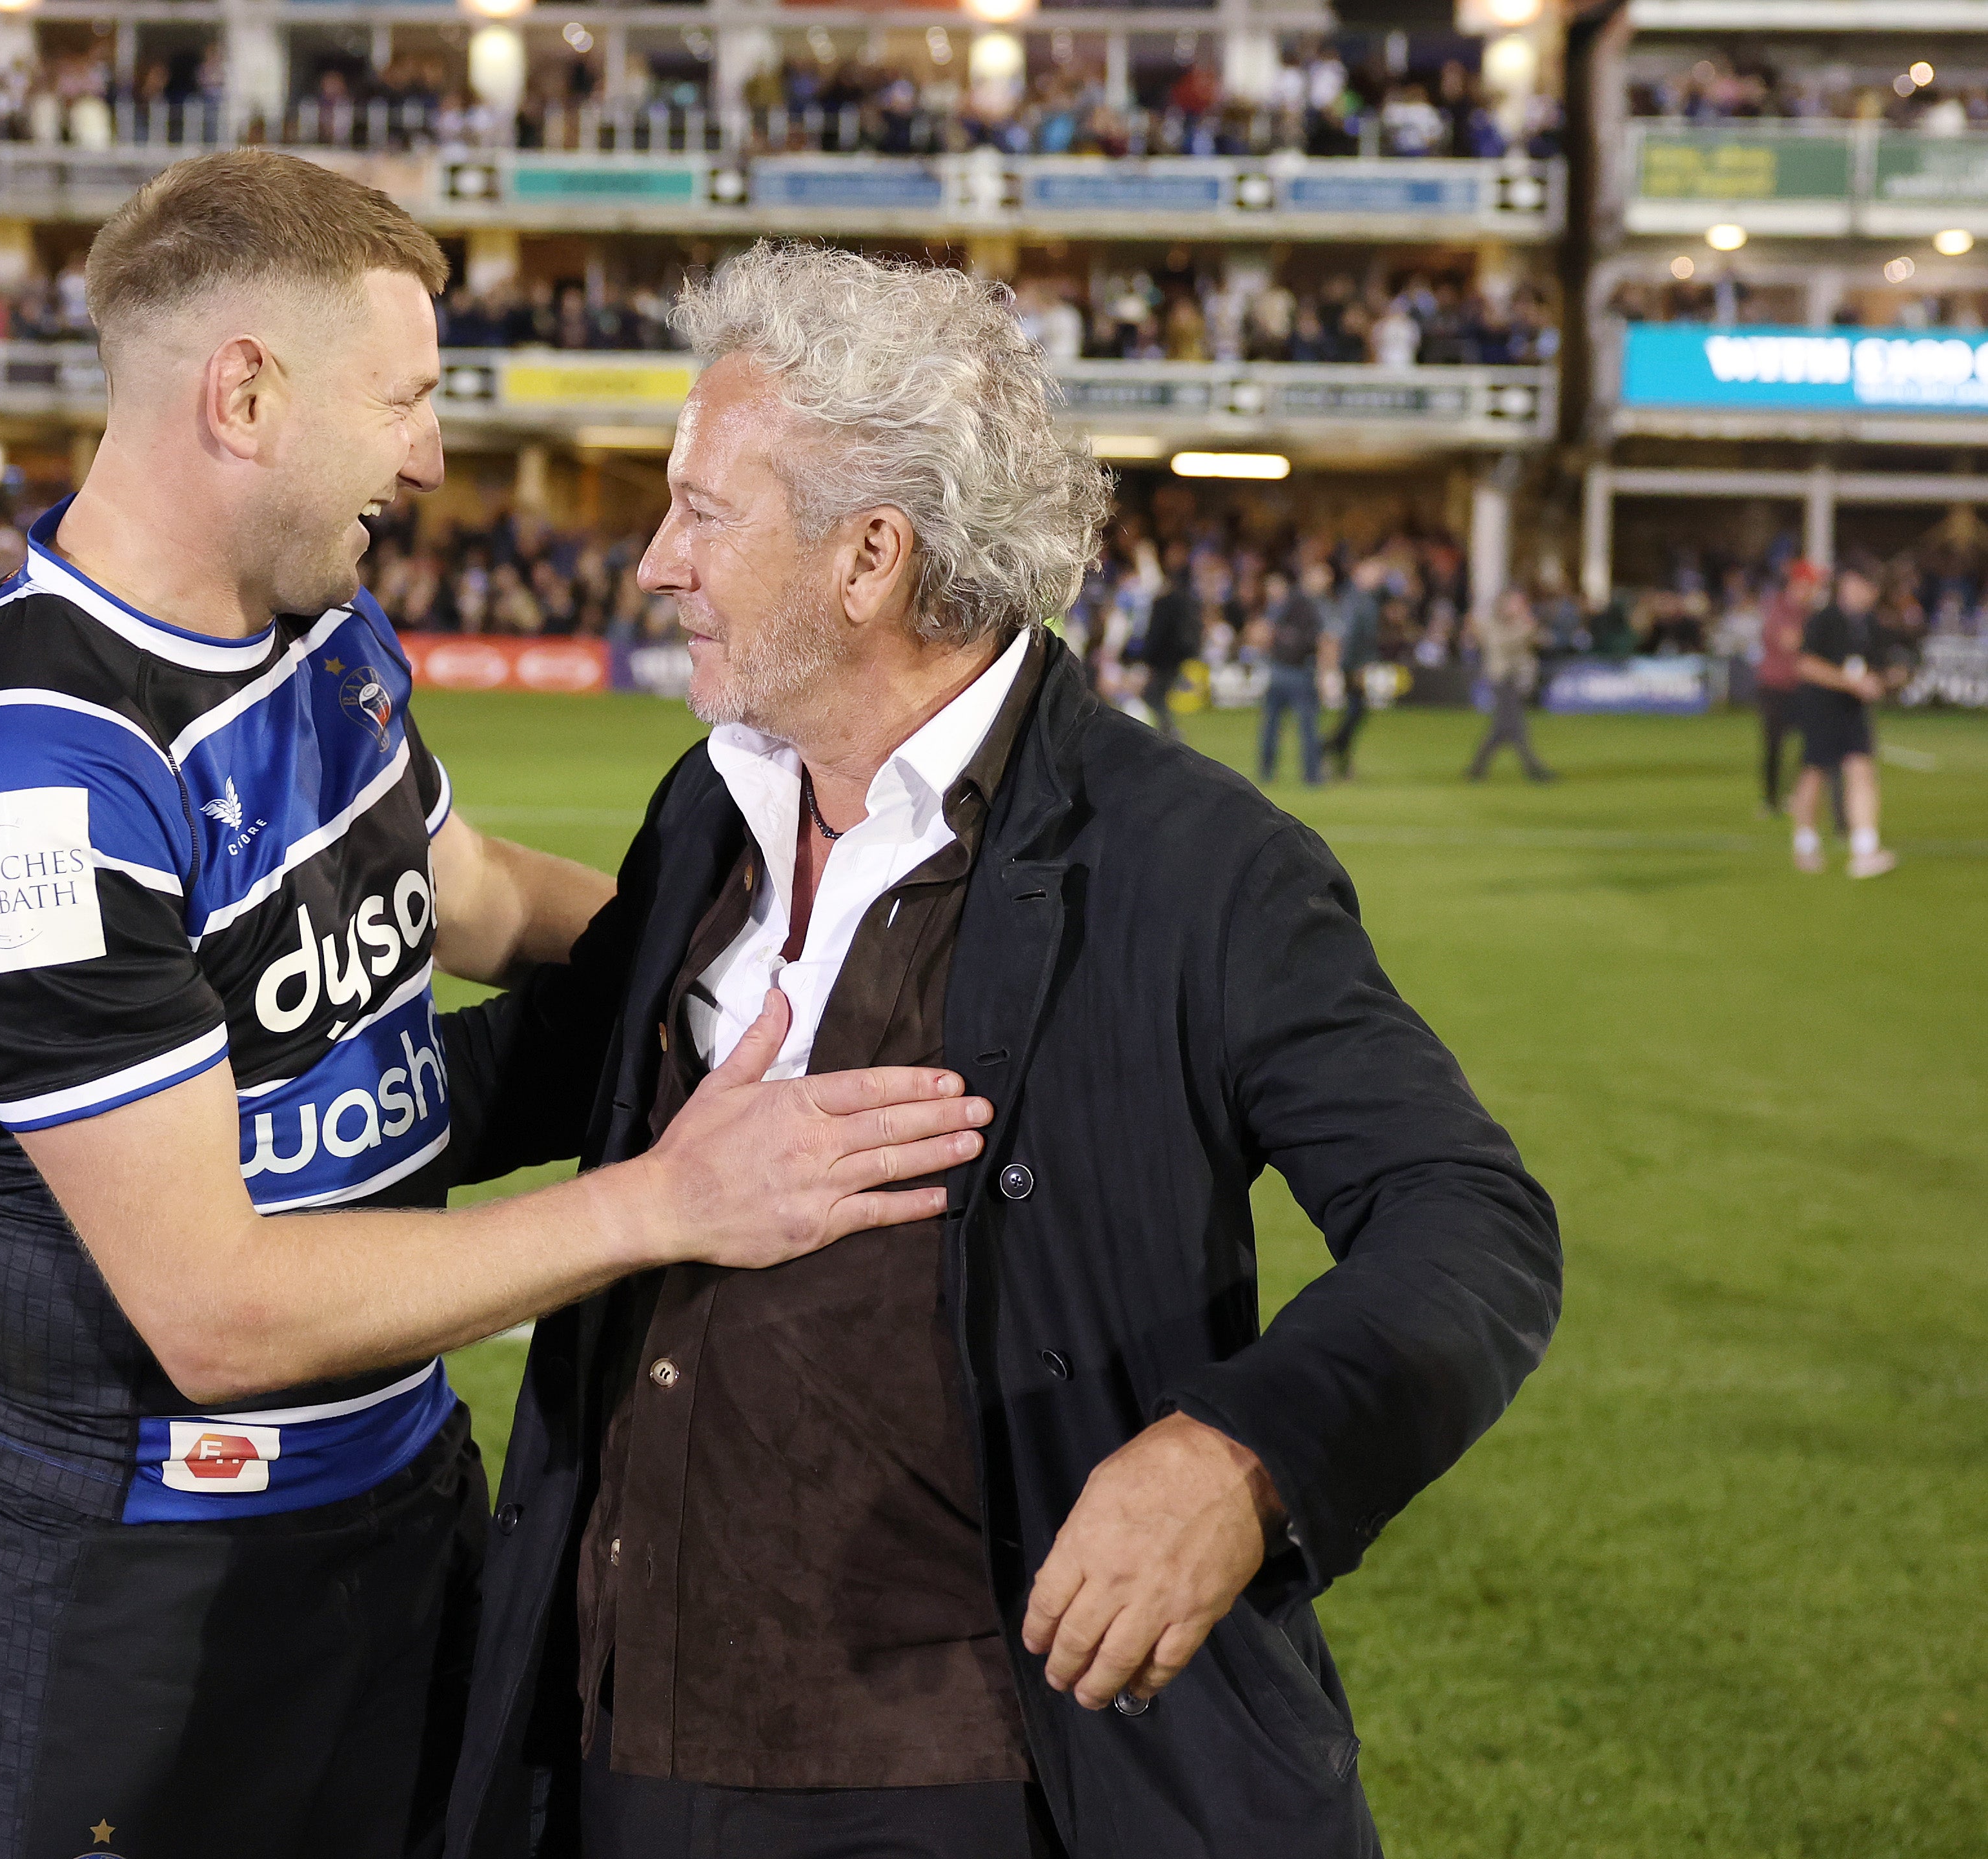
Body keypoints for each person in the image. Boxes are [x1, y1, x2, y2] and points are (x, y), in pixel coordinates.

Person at [0, 157, 989, 1859]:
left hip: (404, 1505)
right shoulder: (29, 784)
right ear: (246, 396)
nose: (431, 456)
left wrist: (785, 948)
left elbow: (470, 897)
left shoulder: (322, 638)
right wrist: (667, 1202)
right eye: (401, 399)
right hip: (139, 1591)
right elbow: (217, 1313)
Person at [439, 244, 1563, 1859]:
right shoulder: (715, 804)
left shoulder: (1192, 864)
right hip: (619, 1747)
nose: (651, 564)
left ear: (868, 557)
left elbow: (1468, 1220)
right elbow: (564, 1057)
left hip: (963, 1785)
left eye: (701, 511)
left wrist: (1244, 1457)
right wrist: (247, 1118)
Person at [1787, 564, 1899, 879]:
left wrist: (1884, 680)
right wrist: (1850, 683)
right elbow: (1806, 665)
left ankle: (1864, 851)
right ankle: (1805, 843)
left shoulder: (1871, 624)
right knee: (1814, 774)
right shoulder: (1824, 620)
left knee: (1861, 770)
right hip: (1821, 707)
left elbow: (1878, 666)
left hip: (1853, 709)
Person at [1465, 587, 1554, 782]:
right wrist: (1529, 629)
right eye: (1515, 604)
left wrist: (1532, 628)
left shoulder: (1520, 624)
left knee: (1502, 729)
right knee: (1514, 727)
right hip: (1503, 678)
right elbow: (1505, 643)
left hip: (1515, 679)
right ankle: (1534, 769)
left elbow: (1544, 641)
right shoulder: (1494, 625)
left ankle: (1477, 769)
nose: (1518, 608)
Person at [1255, 564, 1331, 786]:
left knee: (1273, 725)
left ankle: (1267, 772)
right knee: (1306, 727)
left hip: (1282, 670)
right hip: (1298, 672)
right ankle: (1312, 775)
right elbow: (1322, 640)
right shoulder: (1312, 606)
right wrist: (1324, 673)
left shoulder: (1282, 607)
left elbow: (1263, 635)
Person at [1754, 562, 1811, 818]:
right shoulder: (1779, 608)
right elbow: (1789, 641)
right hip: (1775, 686)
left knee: (1809, 745)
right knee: (1774, 746)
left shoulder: (1808, 612)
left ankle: (1797, 796)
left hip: (1803, 686)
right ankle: (1771, 800)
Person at [1321, 557, 1383, 778]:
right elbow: (1350, 635)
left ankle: (1338, 756)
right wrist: (1355, 666)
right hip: (1354, 666)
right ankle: (1328, 749)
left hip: (1356, 664)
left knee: (1355, 712)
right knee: (1355, 712)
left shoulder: (1364, 599)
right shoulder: (1356, 601)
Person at [1134, 545, 1201, 741]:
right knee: (1156, 695)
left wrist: (1146, 657)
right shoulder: (1184, 598)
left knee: (1153, 695)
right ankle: (1168, 730)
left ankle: (1170, 731)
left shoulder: (1164, 603)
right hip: (1176, 656)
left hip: (1164, 658)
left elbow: (1156, 633)